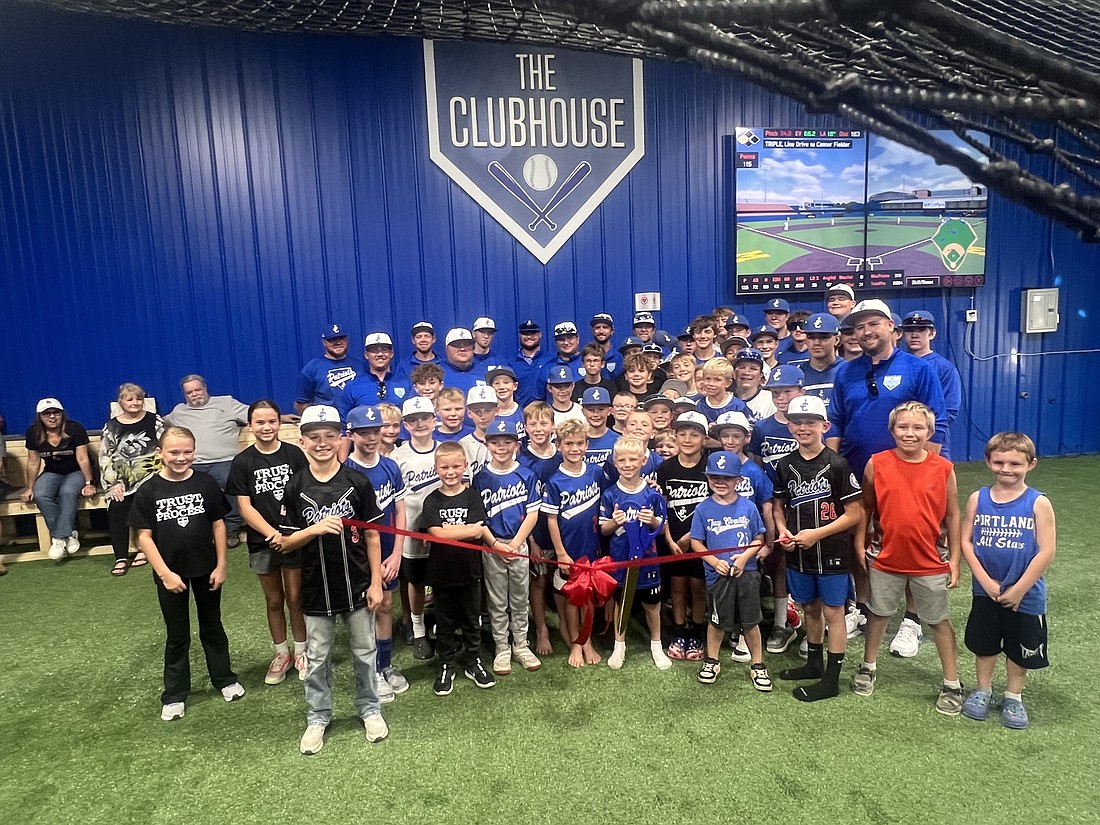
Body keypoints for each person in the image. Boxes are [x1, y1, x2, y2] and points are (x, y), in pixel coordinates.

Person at [277, 405, 387, 754]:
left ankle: (369, 708)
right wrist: (314, 528)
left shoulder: (357, 481)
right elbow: (285, 541)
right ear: (302, 440)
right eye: (314, 437)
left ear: (340, 438)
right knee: (318, 657)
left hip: (355, 583)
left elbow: (372, 537)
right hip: (314, 587)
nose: (322, 443)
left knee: (364, 651)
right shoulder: (295, 486)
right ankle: (318, 716)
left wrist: (375, 582)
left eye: (329, 436)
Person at [854, 401, 964, 716]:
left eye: (918, 428)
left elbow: (954, 515)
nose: (910, 433)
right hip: (885, 558)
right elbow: (866, 507)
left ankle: (952, 683)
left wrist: (955, 560)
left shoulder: (943, 468)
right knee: (878, 614)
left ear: (930, 432)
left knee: (938, 621)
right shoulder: (877, 463)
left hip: (930, 560)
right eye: (903, 427)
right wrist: (860, 544)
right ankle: (868, 666)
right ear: (892, 430)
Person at [130, 426, 244, 722]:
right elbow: (143, 537)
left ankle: (224, 679)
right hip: (170, 575)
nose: (181, 458)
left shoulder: (205, 484)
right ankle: (175, 694)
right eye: (174, 452)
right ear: (160, 454)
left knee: (212, 627)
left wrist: (222, 565)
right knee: (177, 634)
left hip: (206, 569)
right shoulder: (148, 490)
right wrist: (165, 573)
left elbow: (219, 525)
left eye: (188, 452)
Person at [960, 432, 1056, 730]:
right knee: (985, 644)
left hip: (1025, 596)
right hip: (985, 591)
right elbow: (966, 542)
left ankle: (1013, 696)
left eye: (1015, 463)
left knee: (1019, 648)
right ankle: (983, 690)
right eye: (999, 462)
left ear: (1031, 464)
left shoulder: (1038, 503)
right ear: (988, 461)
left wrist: (1019, 589)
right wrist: (985, 580)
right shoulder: (978, 499)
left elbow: (1047, 550)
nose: (1006, 469)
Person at [772, 395, 864, 701]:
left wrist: (817, 533)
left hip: (832, 551)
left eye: (810, 422)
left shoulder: (837, 464)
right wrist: (784, 530)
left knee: (833, 611)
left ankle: (832, 679)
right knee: (809, 607)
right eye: (797, 422)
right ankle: (813, 663)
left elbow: (854, 514)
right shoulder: (785, 464)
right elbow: (778, 505)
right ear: (789, 425)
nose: (803, 428)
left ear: (824, 425)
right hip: (798, 551)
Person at [227, 400, 310, 685]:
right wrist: (272, 534)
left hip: (295, 538)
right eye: (260, 422)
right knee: (274, 599)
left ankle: (302, 651)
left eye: (271, 421)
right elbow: (245, 507)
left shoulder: (294, 455)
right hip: (263, 542)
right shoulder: (243, 462)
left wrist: (291, 534)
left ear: (280, 423)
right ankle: (281, 653)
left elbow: (303, 493)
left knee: (296, 597)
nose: (266, 427)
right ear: (250, 426)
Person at [343, 404, 410, 703]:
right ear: (351, 434)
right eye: (363, 433)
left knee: (385, 606)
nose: (371, 438)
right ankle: (369, 670)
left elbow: (400, 511)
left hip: (386, 550)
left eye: (375, 431)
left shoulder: (390, 466)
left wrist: (397, 553)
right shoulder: (347, 472)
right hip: (359, 554)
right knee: (365, 610)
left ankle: (385, 666)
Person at [421, 441, 496, 695]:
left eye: (456, 466)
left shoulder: (472, 496)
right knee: (444, 622)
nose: (450, 472)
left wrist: (450, 532)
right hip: (441, 574)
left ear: (465, 466)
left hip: (469, 571)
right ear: (436, 469)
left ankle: (473, 659)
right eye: (444, 467)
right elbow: (436, 533)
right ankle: (446, 663)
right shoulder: (432, 500)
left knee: (471, 620)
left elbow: (477, 531)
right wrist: (469, 530)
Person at [690, 451, 769, 689]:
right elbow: (696, 542)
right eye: (714, 477)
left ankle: (758, 664)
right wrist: (714, 562)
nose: (720, 482)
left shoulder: (748, 507)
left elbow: (759, 537)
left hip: (748, 573)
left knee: (750, 621)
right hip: (717, 576)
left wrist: (745, 557)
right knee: (716, 621)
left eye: (727, 478)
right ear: (707, 478)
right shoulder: (703, 508)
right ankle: (712, 660)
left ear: (738, 481)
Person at [474, 419, 542, 675]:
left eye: (507, 442)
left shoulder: (526, 474)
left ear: (516, 444)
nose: (501, 447)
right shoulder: (481, 477)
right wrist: (495, 544)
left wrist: (515, 543)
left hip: (518, 544)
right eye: (495, 442)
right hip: (492, 547)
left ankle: (521, 644)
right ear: (486, 443)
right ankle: (502, 646)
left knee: (519, 598)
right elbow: (479, 519)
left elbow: (533, 513)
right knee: (497, 600)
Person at [600, 436, 670, 671]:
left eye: (633, 459)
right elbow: (603, 528)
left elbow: (662, 529)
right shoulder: (610, 494)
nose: (628, 464)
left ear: (643, 460)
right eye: (622, 460)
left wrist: (652, 521)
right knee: (622, 601)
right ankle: (619, 645)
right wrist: (614, 521)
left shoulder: (652, 492)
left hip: (649, 558)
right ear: (614, 462)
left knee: (653, 604)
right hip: (621, 558)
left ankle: (656, 645)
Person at [544, 419, 606, 667]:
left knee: (588, 598)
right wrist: (560, 552)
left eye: (580, 443)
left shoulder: (595, 472)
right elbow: (550, 520)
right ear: (559, 446)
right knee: (571, 599)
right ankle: (575, 642)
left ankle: (587, 639)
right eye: (568, 443)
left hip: (592, 547)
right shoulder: (555, 480)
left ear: (587, 445)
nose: (574, 448)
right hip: (568, 551)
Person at [655, 411, 712, 663]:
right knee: (677, 586)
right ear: (675, 436)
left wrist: (692, 536)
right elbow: (662, 507)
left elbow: (713, 505)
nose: (688, 439)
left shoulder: (710, 465)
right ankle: (679, 632)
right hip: (674, 540)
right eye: (683, 434)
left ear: (704, 438)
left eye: (694, 434)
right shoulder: (666, 467)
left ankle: (697, 631)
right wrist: (668, 539)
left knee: (698, 588)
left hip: (701, 539)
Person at [166, 375, 249, 546]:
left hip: (225, 461)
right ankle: (200, 530)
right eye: (190, 392)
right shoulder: (179, 411)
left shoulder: (226, 403)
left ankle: (231, 529)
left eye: (197, 389)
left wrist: (281, 418)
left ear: (205, 388)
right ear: (185, 395)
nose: (195, 394)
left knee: (230, 480)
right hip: (193, 464)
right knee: (187, 488)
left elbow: (254, 414)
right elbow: (158, 424)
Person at [392, 396, 443, 660]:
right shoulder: (397, 456)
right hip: (412, 530)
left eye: (425, 418)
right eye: (413, 420)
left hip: (445, 530)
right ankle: (419, 629)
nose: (420, 423)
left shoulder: (447, 449)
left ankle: (446, 627)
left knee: (446, 580)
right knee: (416, 581)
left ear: (435, 420)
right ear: (405, 425)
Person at [99, 383, 165, 575]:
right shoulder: (111, 426)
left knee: (144, 502)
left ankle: (145, 549)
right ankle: (120, 556)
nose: (135, 403)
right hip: (121, 480)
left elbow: (164, 447)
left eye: (139, 399)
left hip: (151, 475)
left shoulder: (155, 421)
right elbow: (105, 456)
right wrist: (114, 484)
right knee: (117, 505)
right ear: (121, 402)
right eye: (130, 399)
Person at [21, 397, 96, 559]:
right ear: (39, 416)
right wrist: (29, 487)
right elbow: (33, 462)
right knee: (40, 494)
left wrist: (89, 482)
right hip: (52, 472)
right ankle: (66, 536)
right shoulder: (33, 433)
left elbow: (83, 458)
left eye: (56, 412)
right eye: (47, 413)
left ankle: (58, 537)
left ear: (62, 414)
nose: (52, 416)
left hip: (76, 472)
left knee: (67, 492)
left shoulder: (74, 428)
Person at [899, 310, 962, 459]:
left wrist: (921, 431)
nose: (914, 335)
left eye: (921, 330)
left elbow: (950, 411)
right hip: (899, 436)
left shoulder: (944, 367)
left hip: (931, 438)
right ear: (902, 334)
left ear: (932, 334)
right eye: (909, 330)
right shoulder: (895, 364)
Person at [294, 323, 363, 414]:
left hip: (357, 422)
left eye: (341, 338)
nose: (338, 342)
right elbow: (301, 403)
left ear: (347, 339)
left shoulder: (361, 365)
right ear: (324, 342)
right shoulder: (312, 368)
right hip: (328, 423)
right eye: (332, 339)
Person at [340, 332, 411, 414]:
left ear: (391, 354)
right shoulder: (352, 386)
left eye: (384, 350)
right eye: (374, 350)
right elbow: (344, 420)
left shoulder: (406, 382)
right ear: (366, 355)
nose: (380, 354)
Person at [800, 313, 842, 407]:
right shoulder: (798, 373)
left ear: (836, 340)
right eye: (811, 337)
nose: (816, 343)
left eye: (824, 337)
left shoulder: (848, 370)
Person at [511, 320, 546, 408]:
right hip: (520, 413)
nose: (529, 336)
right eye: (525, 334)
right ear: (520, 335)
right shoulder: (511, 362)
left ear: (540, 335)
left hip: (547, 413)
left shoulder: (551, 360)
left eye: (533, 333)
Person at [440, 328, 484, 394]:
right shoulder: (437, 373)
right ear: (447, 349)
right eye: (457, 345)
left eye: (467, 344)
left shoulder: (484, 372)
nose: (462, 349)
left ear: (473, 347)